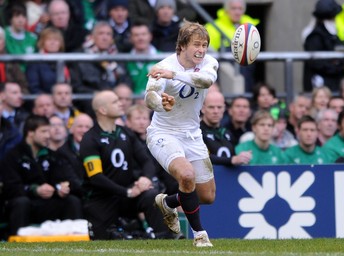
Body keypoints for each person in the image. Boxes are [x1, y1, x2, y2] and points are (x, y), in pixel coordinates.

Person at [144, 21, 219, 247]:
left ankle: (167, 203)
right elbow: (150, 97)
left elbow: (206, 80)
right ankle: (199, 235)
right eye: (196, 44)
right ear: (182, 46)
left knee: (207, 196)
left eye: (204, 45)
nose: (201, 49)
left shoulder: (209, 63)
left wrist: (173, 75)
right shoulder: (162, 66)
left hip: (192, 134)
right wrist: (161, 103)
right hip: (163, 133)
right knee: (186, 176)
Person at [80, 90, 171, 240]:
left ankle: (165, 237)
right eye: (115, 102)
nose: (121, 103)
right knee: (104, 240)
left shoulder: (126, 133)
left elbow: (147, 161)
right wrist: (126, 192)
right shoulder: (90, 139)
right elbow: (96, 177)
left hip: (127, 195)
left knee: (151, 195)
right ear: (102, 110)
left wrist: (146, 178)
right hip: (101, 200)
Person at [1, 114, 83, 236]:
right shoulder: (13, 155)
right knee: (21, 203)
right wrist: (35, 190)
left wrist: (60, 188)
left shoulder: (52, 155)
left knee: (72, 201)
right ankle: (17, 245)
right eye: (43, 131)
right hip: (26, 201)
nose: (48, 136)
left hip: (48, 202)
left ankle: (77, 243)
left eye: (48, 132)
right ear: (30, 133)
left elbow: (63, 179)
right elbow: (10, 187)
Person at [204, 0, 259, 92]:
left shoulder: (250, 25)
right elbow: (208, 53)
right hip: (224, 69)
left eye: (240, 9)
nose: (237, 12)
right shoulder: (212, 27)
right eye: (233, 8)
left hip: (247, 69)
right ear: (226, 10)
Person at [302, 0, 344, 92]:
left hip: (333, 83)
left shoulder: (331, 33)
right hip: (321, 85)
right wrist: (339, 68)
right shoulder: (315, 36)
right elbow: (317, 63)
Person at [201, 90, 251, 166]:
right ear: (203, 109)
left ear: (224, 108)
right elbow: (202, 158)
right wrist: (232, 160)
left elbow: (234, 156)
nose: (216, 111)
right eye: (211, 107)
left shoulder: (227, 133)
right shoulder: (197, 133)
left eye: (219, 107)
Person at [57, 113, 94, 198]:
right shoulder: (63, 151)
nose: (84, 130)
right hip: (77, 195)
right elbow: (71, 180)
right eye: (80, 126)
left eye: (87, 127)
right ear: (72, 129)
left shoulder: (100, 149)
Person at [26, 27, 70, 93]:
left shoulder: (64, 60)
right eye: (49, 39)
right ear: (42, 42)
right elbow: (33, 88)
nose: (53, 43)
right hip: (45, 101)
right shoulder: (35, 62)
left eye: (56, 40)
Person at [126, 19, 159, 95]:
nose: (140, 38)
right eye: (136, 35)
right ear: (131, 38)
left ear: (150, 36)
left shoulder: (163, 59)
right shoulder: (125, 61)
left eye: (144, 34)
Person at [0, 26, 29, 93]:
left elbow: (23, 84)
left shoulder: (11, 60)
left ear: (3, 43)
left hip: (10, 99)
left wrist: (17, 95)